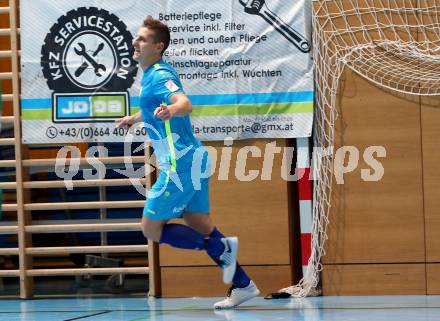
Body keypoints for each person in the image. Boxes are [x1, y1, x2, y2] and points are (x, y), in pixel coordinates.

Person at [116, 16, 260, 309]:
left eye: (142, 39)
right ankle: (243, 284)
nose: (135, 41)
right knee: (200, 223)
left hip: (179, 165)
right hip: (193, 159)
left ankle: (222, 249)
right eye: (137, 37)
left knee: (151, 229)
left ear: (158, 46)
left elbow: (184, 103)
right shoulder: (150, 76)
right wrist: (135, 118)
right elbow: (155, 107)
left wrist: (172, 109)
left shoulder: (159, 74)